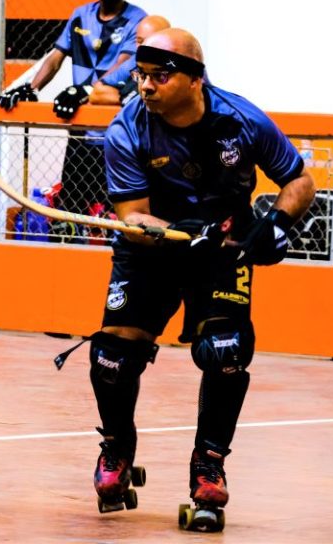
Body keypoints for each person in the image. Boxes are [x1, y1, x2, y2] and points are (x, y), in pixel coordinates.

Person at [87, 28, 315, 529]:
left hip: (224, 249)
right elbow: (133, 216)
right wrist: (186, 233)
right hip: (151, 249)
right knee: (112, 357)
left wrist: (276, 225)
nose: (146, 86)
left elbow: (300, 180)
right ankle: (117, 448)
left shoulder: (242, 120)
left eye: (159, 76)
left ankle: (208, 465)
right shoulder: (127, 127)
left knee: (226, 352)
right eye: (141, 75)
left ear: (195, 80)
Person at [0, 0, 147, 223]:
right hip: (80, 125)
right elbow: (56, 57)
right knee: (73, 206)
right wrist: (31, 88)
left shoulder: (137, 19)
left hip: (116, 127)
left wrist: (87, 90)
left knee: (113, 206)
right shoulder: (80, 15)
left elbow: (123, 64)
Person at [89, 15, 171, 107]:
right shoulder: (133, 62)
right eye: (139, 41)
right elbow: (96, 92)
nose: (142, 47)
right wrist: (128, 97)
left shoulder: (175, 65)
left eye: (150, 42)